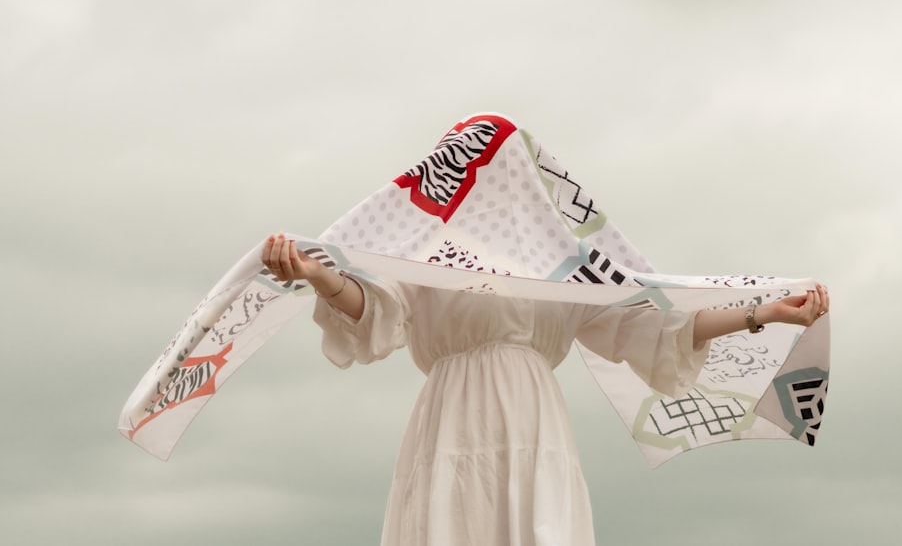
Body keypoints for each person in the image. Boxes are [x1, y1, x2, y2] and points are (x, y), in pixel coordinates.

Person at [260, 225, 828, 546]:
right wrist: (319, 276)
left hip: (533, 415)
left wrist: (763, 312)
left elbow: (651, 327)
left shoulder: (561, 259)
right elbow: (378, 312)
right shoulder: (429, 245)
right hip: (453, 414)